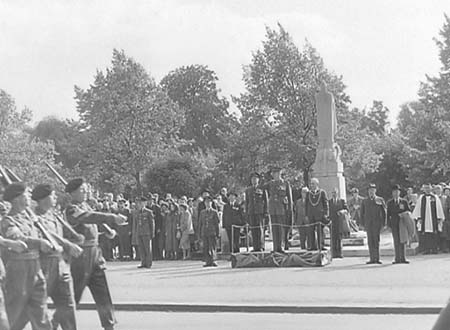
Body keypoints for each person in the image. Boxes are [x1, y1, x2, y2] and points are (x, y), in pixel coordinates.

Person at [65, 178, 126, 330]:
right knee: (74, 296)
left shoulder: (85, 205)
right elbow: (90, 217)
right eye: (81, 190)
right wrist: (112, 218)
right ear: (72, 193)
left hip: (95, 254)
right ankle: (56, 324)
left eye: (86, 189)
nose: (85, 192)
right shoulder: (71, 209)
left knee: (102, 293)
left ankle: (109, 324)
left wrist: (107, 230)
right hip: (81, 257)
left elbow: (94, 218)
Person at [1, 182, 54, 330]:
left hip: (36, 268)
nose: (29, 197)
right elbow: (18, 239)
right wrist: (39, 242)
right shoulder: (7, 221)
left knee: (41, 315)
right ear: (17, 199)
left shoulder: (30, 218)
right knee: (14, 314)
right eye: (26, 194)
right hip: (18, 271)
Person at [32, 183, 84, 330]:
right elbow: (50, 236)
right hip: (44, 267)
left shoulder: (53, 215)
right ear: (43, 198)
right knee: (39, 309)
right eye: (52, 195)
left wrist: (76, 238)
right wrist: (68, 245)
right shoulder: (35, 217)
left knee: (68, 305)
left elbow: (63, 233)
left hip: (61, 265)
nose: (55, 198)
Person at [265, 167, 293, 252]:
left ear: (279, 173)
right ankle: (275, 247)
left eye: (275, 173)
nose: (273, 175)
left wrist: (290, 209)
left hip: (281, 209)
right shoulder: (270, 183)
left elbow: (289, 197)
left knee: (281, 228)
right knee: (274, 228)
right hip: (273, 209)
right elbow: (262, 188)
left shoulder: (285, 183)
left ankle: (281, 246)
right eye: (273, 174)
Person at [412, 183, 445, 254]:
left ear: (431, 188)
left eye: (428, 188)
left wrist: (439, 218)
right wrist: (419, 217)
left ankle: (434, 249)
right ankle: (426, 249)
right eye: (426, 188)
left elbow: (439, 208)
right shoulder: (421, 198)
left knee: (434, 233)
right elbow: (418, 208)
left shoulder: (435, 197)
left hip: (433, 219)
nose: (427, 189)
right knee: (425, 234)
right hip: (424, 219)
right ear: (424, 189)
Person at [360, 183, 387, 264]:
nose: (371, 192)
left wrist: (384, 223)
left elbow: (384, 212)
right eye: (370, 190)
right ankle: (372, 258)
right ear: (368, 191)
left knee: (376, 240)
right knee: (370, 241)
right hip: (368, 224)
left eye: (373, 190)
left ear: (375, 191)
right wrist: (362, 224)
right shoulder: (365, 201)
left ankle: (377, 258)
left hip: (377, 223)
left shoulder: (380, 199)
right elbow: (362, 213)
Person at [386, 184, 411, 264]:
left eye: (397, 192)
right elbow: (388, 214)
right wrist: (388, 225)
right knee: (396, 240)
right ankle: (397, 258)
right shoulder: (389, 203)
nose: (396, 193)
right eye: (394, 192)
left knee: (403, 240)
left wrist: (403, 214)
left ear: (399, 192)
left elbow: (408, 212)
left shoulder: (404, 202)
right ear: (392, 193)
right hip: (394, 224)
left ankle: (403, 258)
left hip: (402, 223)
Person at [245, 172, 268, 252]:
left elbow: (266, 201)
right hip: (251, 212)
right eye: (252, 179)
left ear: (258, 180)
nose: (254, 180)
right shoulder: (248, 190)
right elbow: (247, 202)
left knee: (260, 229)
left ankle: (261, 246)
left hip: (260, 212)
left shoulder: (262, 189)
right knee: (253, 229)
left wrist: (266, 211)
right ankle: (255, 247)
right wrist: (247, 213)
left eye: (255, 178)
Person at [304, 178, 329, 251]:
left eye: (313, 184)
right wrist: (306, 215)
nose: (311, 185)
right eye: (311, 183)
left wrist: (326, 214)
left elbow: (325, 203)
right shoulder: (308, 193)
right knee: (311, 231)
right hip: (311, 215)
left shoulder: (322, 192)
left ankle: (321, 245)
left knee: (320, 231)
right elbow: (306, 204)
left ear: (317, 184)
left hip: (320, 215)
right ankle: (312, 246)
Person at [131, 196, 154, 268]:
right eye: (139, 203)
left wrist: (152, 233)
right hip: (139, 232)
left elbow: (152, 223)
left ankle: (148, 263)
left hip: (146, 233)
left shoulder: (149, 212)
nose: (140, 204)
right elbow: (136, 223)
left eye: (141, 202)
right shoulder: (137, 212)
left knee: (147, 249)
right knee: (141, 249)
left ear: (145, 203)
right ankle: (143, 262)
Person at [198, 195, 220, 267]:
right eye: (206, 202)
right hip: (204, 232)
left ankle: (213, 260)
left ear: (211, 203)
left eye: (209, 202)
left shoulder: (214, 212)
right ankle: (208, 261)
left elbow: (217, 224)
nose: (207, 203)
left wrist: (217, 233)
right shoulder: (202, 212)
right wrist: (199, 234)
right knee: (206, 247)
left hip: (212, 232)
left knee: (212, 247)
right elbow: (200, 224)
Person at [328, 187, 348, 258]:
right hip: (332, 222)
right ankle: (333, 253)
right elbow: (327, 212)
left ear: (338, 193)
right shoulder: (329, 202)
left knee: (339, 238)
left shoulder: (341, 201)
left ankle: (340, 253)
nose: (334, 194)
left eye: (335, 193)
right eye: (333, 193)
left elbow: (346, 210)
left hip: (340, 222)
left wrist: (342, 211)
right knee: (333, 238)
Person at [147, 196, 163, 260]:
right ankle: (150, 256)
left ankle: (157, 255)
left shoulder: (157, 208)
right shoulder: (146, 208)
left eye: (151, 200)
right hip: (148, 228)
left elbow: (160, 218)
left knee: (156, 242)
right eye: (148, 200)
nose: (150, 201)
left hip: (156, 227)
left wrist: (159, 227)